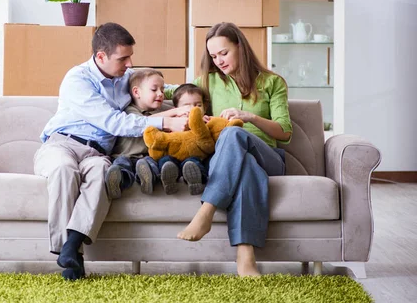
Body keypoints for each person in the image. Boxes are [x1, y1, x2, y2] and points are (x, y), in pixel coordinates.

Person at [34, 23, 188, 281]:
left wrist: (190, 96)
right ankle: (70, 255)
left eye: (131, 57)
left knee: (103, 174)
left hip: (97, 154)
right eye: (123, 58)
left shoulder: (127, 77)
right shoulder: (78, 79)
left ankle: (71, 247)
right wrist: (165, 121)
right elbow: (113, 122)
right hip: (62, 143)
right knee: (64, 170)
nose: (130, 64)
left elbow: (159, 86)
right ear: (101, 56)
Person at [175, 22, 292, 277]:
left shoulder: (272, 82)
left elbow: (285, 132)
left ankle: (207, 209)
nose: (218, 61)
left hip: (269, 158)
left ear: (240, 46)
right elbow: (169, 93)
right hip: (235, 164)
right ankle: (245, 257)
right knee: (245, 164)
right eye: (214, 56)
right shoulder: (207, 82)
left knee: (232, 131)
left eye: (224, 53)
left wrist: (249, 116)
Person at [105, 69, 191, 199]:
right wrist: (175, 113)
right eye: (154, 90)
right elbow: (145, 122)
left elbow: (185, 113)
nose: (160, 94)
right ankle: (116, 180)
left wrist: (191, 115)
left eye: (162, 90)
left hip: (146, 157)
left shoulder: (164, 108)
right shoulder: (129, 110)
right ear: (136, 92)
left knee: (149, 164)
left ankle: (146, 180)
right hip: (125, 155)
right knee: (121, 164)